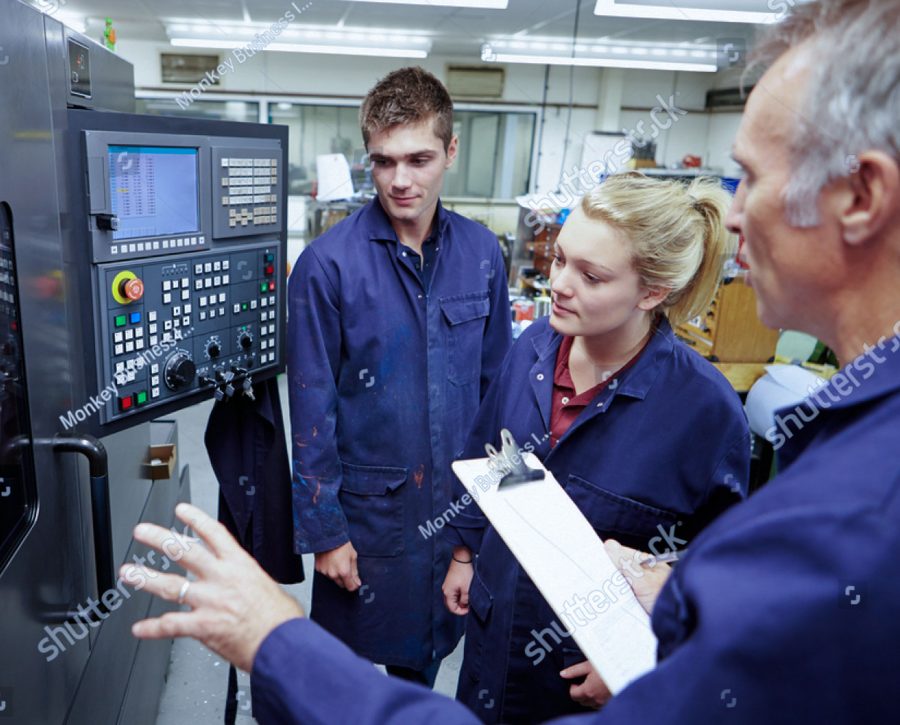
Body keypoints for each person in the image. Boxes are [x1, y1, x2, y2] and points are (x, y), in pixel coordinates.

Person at [122, 0, 900, 722]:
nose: (731, 216)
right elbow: (322, 406)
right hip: (384, 510)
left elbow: (495, 402)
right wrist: (337, 532)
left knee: (427, 658)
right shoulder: (345, 273)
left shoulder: (774, 455)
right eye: (558, 262)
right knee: (358, 656)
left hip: (481, 550)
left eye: (588, 273)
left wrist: (475, 556)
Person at [441, 172, 750, 722]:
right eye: (560, 260)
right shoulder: (534, 348)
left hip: (587, 679)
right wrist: (466, 553)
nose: (559, 283)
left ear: (653, 292)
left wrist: (644, 657)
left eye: (591, 275)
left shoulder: (705, 412)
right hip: (493, 635)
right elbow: (493, 453)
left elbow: (723, 577)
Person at [286, 66, 511, 685]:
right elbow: (311, 412)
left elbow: (499, 405)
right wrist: (327, 534)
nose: (401, 180)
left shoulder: (483, 254)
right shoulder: (325, 267)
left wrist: (472, 541)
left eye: (419, 158)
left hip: (454, 519)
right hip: (368, 523)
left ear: (451, 151)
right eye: (383, 162)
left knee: (423, 672)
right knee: (342, 683)